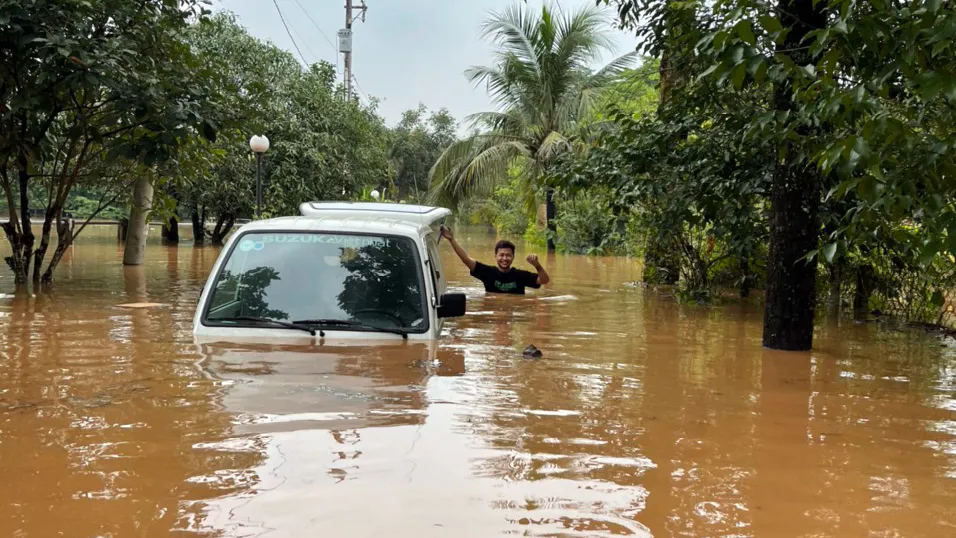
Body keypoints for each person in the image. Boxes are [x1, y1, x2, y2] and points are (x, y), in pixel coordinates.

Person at [439, 225, 550, 295]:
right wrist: (452, 240)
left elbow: (544, 280)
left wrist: (537, 265)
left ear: (513, 257)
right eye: (501, 255)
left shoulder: (520, 275)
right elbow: (466, 259)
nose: (504, 258)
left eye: (508, 255)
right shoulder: (488, 272)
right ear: (495, 256)